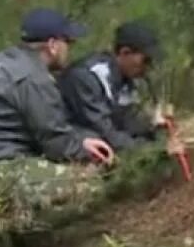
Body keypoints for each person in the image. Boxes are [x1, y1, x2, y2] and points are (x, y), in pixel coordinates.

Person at [0, 8, 116, 233]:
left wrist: (81, 140)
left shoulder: (5, 61)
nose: (69, 49)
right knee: (88, 183)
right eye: (67, 42)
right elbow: (55, 142)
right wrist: (85, 151)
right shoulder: (34, 79)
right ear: (52, 45)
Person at [57, 20, 186, 158]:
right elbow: (106, 134)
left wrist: (154, 129)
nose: (148, 68)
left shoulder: (124, 79)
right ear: (125, 53)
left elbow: (126, 121)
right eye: (146, 61)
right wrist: (156, 149)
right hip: (71, 144)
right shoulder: (86, 78)